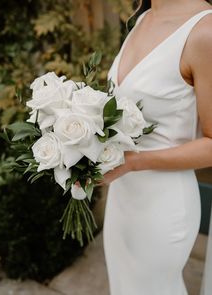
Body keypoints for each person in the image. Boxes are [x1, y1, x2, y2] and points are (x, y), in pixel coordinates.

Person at [99, 0, 212, 294]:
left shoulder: (204, 31)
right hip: (123, 197)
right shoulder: (145, 16)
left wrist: (134, 161)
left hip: (164, 206)